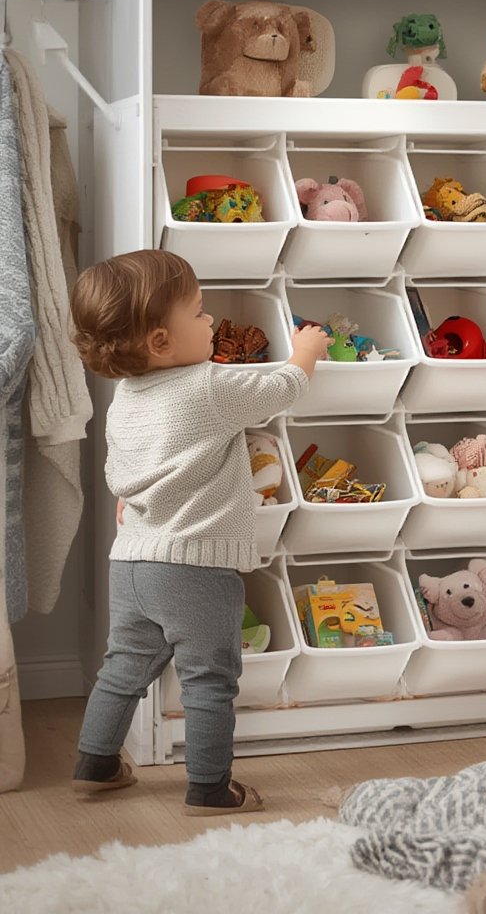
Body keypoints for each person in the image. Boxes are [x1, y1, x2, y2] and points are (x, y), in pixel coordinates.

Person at [68, 249, 330, 815]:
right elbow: (281, 389)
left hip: (131, 562)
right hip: (196, 564)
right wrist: (306, 352)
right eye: (199, 312)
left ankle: (96, 762)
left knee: (123, 667)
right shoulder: (208, 387)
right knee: (209, 679)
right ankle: (210, 788)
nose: (210, 320)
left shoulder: (124, 398)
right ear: (161, 340)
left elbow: (122, 475)